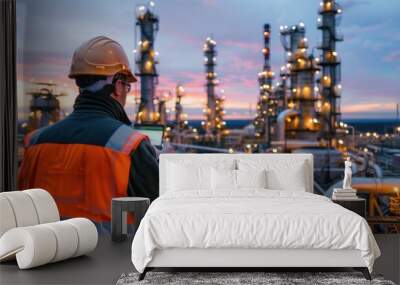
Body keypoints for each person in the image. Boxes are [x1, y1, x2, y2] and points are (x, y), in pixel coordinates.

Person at [18, 36, 159, 224]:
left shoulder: (34, 142)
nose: (126, 92)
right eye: (127, 86)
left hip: (46, 250)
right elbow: (160, 213)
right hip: (113, 251)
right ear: (117, 86)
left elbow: (20, 205)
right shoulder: (130, 146)